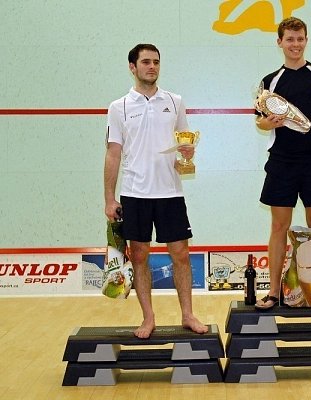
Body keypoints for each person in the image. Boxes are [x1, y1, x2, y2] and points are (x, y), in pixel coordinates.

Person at [104, 43, 208, 338]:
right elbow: (113, 154)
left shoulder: (175, 102)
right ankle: (148, 319)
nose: (152, 67)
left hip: (170, 194)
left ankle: (188, 315)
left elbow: (183, 148)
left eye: (156, 62)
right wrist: (109, 198)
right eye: (146, 62)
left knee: (182, 255)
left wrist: (187, 155)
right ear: (132, 67)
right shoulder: (119, 107)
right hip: (135, 193)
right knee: (139, 256)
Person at [254, 17, 311, 310]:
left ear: (307, 40)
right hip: (282, 162)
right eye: (290, 39)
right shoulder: (271, 81)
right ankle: (273, 292)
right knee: (279, 225)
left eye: (300, 38)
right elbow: (259, 121)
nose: (295, 44)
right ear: (279, 42)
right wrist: (268, 123)